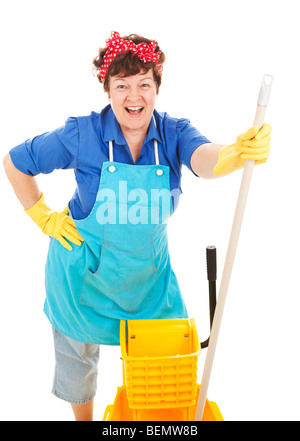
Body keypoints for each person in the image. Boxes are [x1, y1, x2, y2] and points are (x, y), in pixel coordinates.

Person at [3, 31, 271, 421]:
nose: (134, 96)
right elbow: (15, 162)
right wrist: (41, 215)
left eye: (144, 83)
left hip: (147, 280)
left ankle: (154, 419)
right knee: (80, 363)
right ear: (107, 89)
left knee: (165, 363)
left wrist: (232, 154)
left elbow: (203, 158)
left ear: (157, 87)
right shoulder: (83, 134)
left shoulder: (173, 133)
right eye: (122, 85)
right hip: (83, 277)